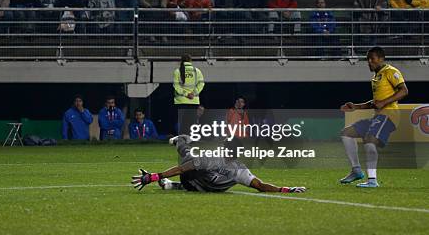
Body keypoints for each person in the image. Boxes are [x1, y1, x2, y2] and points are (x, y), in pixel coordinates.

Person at [131, 134, 306, 193]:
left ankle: (180, 142)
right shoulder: (215, 158)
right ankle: (180, 142)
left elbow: (260, 185)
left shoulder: (239, 170)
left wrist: (285, 189)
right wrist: (155, 176)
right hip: (197, 184)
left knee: (189, 160)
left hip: (208, 187)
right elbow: (183, 168)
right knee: (188, 160)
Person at [339, 47, 408, 187]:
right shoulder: (376, 77)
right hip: (378, 117)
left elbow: (404, 90)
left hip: (389, 115)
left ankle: (372, 180)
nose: (369, 62)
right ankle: (356, 171)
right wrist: (356, 107)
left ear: (381, 58)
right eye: (368, 59)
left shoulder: (391, 71)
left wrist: (384, 102)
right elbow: (375, 103)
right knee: (346, 133)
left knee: (370, 140)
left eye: (372, 59)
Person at [173, 54, 205, 135]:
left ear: (181, 61)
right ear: (191, 61)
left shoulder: (177, 71)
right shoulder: (197, 71)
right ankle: (190, 140)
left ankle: (181, 139)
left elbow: (176, 86)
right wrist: (193, 93)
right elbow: (201, 84)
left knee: (181, 123)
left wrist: (186, 94)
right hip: (193, 101)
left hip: (181, 101)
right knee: (191, 123)